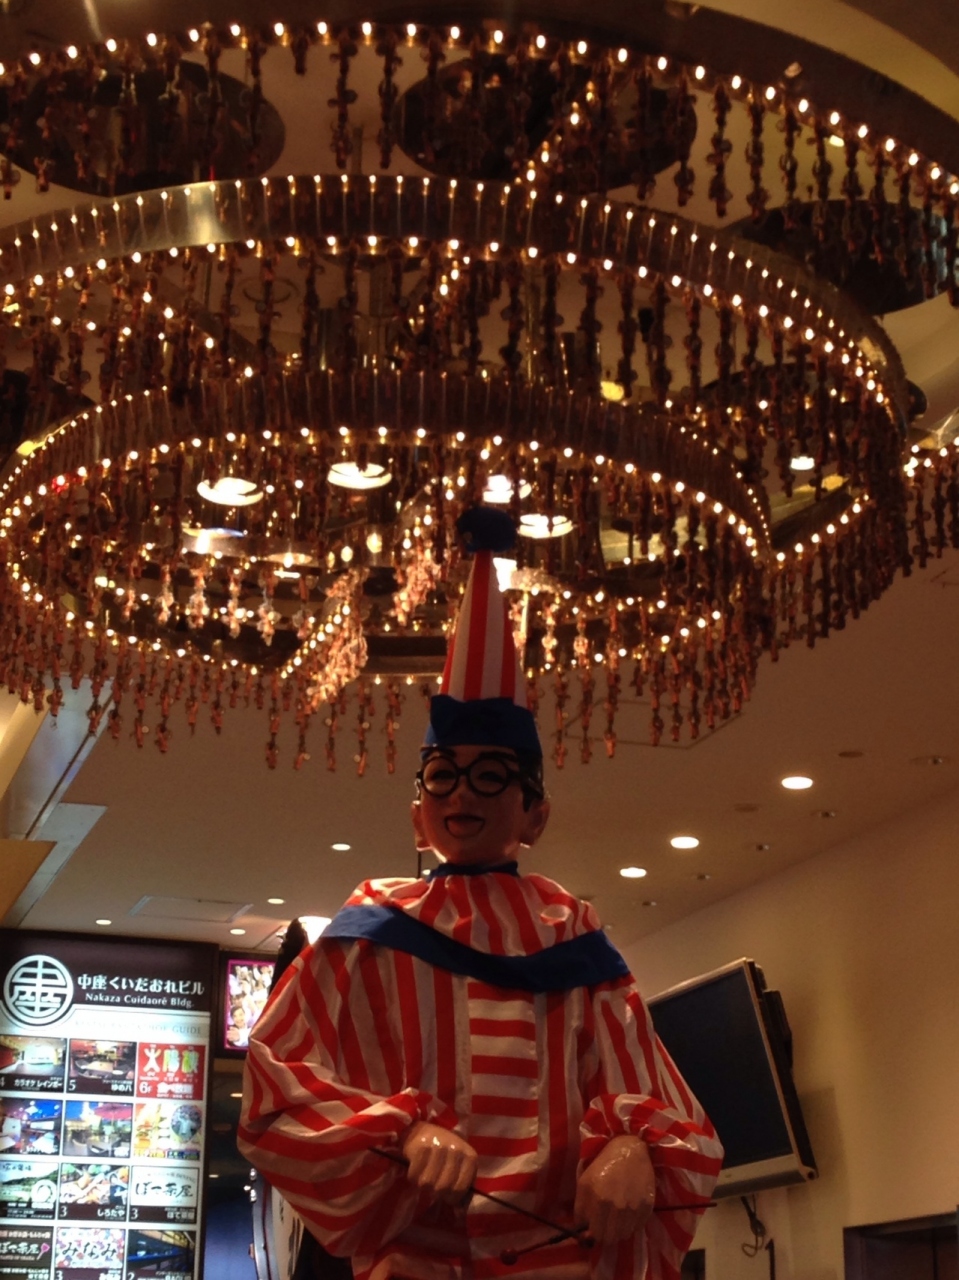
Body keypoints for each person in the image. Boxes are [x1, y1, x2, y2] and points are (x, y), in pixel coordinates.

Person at [238, 509, 723, 1280]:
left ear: (534, 815)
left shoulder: (576, 941)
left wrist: (633, 1146)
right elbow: (275, 1090)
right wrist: (398, 1132)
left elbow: (655, 1096)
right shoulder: (365, 936)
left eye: (491, 776)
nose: (463, 794)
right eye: (444, 776)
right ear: (417, 813)